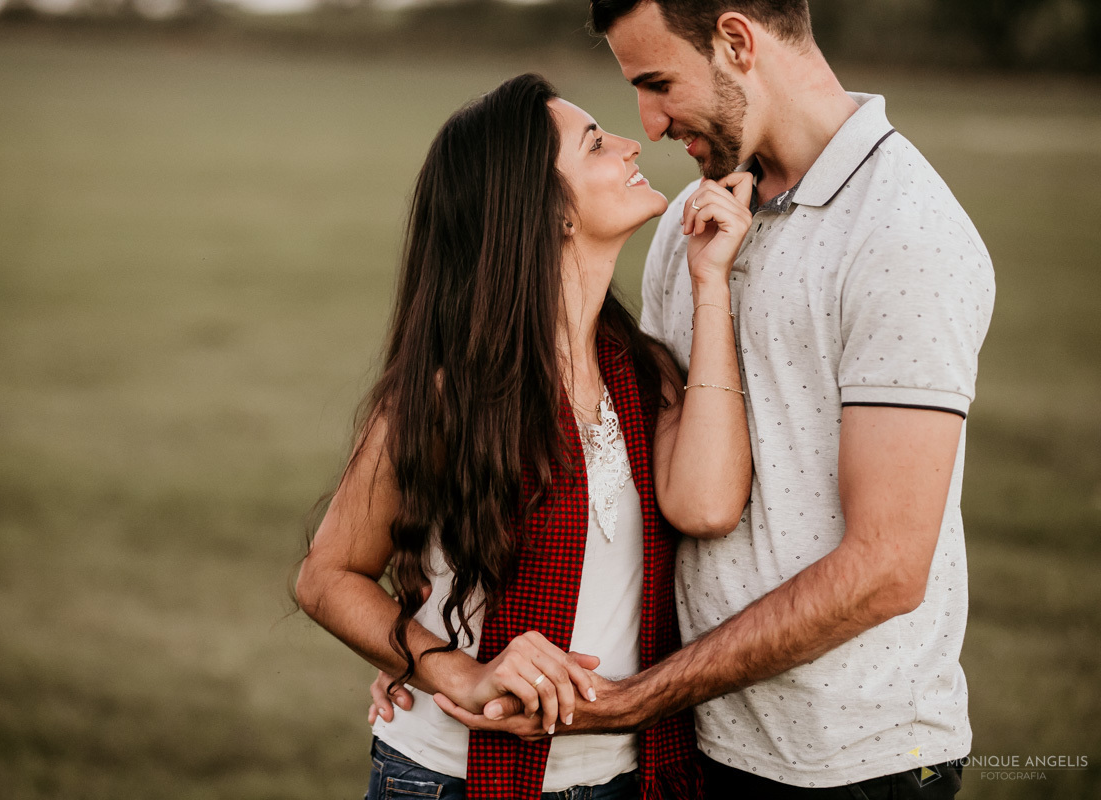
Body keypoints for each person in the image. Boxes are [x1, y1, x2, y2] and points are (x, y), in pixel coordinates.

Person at [424, 2, 996, 798]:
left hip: (848, 762)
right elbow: (662, 490)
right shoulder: (688, 228)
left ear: (736, 42)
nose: (650, 125)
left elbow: (887, 569)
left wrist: (635, 699)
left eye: (658, 83)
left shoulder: (905, 234)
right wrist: (431, 647)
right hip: (693, 745)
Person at [297, 73, 757, 800]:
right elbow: (326, 576)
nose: (633, 143)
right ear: (553, 213)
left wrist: (711, 285)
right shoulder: (455, 394)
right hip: (447, 776)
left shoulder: (646, 375)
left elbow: (708, 506)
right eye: (597, 143)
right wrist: (459, 671)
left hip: (620, 778)